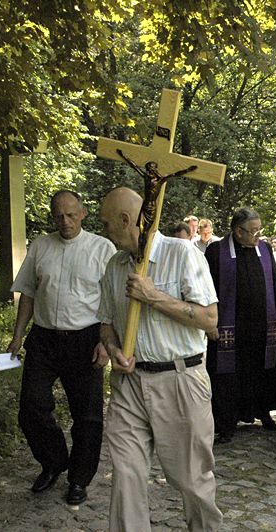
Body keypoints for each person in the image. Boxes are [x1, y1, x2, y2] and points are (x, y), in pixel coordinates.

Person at [98, 187, 222, 531]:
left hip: (180, 380)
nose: (104, 230)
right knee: (126, 477)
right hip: (129, 384)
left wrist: (154, 297)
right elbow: (105, 323)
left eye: (107, 223)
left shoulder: (182, 254)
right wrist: (113, 350)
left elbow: (210, 319)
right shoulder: (114, 265)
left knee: (191, 480)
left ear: (127, 220)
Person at [8, 190, 116, 505]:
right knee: (31, 407)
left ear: (83, 213)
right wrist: (18, 334)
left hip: (86, 338)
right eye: (59, 216)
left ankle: (79, 479)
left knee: (88, 416)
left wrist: (106, 342)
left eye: (71, 215)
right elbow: (28, 293)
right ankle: (54, 461)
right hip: (44, 338)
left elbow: (114, 301)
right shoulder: (41, 246)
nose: (65, 221)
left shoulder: (102, 248)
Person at [205, 208, 276, 443]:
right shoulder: (217, 251)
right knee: (228, 377)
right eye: (253, 231)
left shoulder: (264, 249)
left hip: (261, 328)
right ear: (238, 232)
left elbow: (275, 283)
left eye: (259, 230)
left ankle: (263, 412)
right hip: (229, 328)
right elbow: (207, 290)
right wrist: (209, 323)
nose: (258, 235)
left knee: (263, 372)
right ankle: (226, 422)